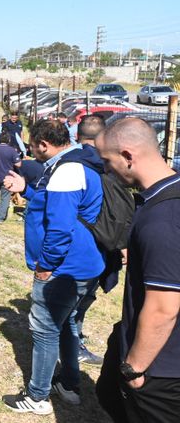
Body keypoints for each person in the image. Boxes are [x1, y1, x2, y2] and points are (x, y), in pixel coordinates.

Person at [1, 119, 105, 415]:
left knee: (45, 330)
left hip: (64, 267)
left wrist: (45, 266)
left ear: (43, 144)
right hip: (84, 263)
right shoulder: (76, 163)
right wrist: (27, 190)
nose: (30, 152)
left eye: (32, 146)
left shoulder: (67, 172)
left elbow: (59, 228)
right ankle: (69, 385)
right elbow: (57, 204)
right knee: (68, 324)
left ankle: (37, 396)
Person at [95, 117, 180, 422]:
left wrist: (134, 368)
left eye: (108, 161)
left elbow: (164, 308)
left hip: (161, 370)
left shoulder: (163, 219)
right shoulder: (164, 195)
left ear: (128, 156)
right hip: (158, 356)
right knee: (108, 394)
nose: (107, 170)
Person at [72, 114, 112, 366]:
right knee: (83, 298)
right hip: (105, 245)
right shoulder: (113, 164)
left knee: (73, 300)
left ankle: (73, 340)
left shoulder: (70, 163)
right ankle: (74, 341)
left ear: (78, 136)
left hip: (77, 246)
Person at [0, 131, 21, 224]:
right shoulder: (12, 150)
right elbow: (18, 164)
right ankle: (0, 218)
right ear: (9, 140)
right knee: (5, 198)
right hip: (7, 178)